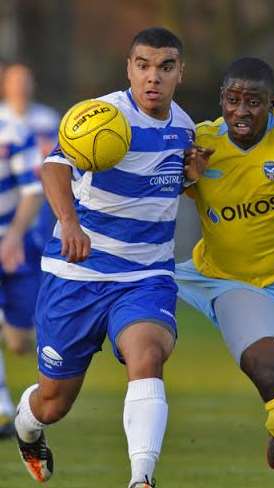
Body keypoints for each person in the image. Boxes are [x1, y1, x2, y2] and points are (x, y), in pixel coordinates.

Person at [14, 27, 208, 488]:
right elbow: (54, 166)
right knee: (54, 402)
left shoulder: (184, 128)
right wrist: (71, 223)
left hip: (146, 275)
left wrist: (190, 179)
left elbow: (157, 189)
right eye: (143, 65)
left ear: (181, 72)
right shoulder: (101, 116)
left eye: (165, 67)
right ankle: (27, 424)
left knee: (147, 355)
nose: (153, 77)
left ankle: (141, 478)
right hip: (77, 274)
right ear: (129, 68)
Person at [176, 57, 274, 487]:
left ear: (272, 104)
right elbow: (163, 192)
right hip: (226, 279)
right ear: (222, 99)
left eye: (254, 102)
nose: (242, 111)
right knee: (268, 368)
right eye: (233, 100)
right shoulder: (201, 142)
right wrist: (186, 180)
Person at [0, 94, 43, 436]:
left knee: (19, 341)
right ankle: (2, 408)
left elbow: (33, 190)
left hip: (14, 245)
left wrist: (14, 236)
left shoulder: (14, 132)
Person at [0, 62, 60, 248]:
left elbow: (60, 155)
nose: (20, 87)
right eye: (15, 82)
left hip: (41, 191)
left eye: (25, 82)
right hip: (9, 193)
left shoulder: (47, 118)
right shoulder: (3, 119)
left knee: (37, 242)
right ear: (5, 85)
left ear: (33, 85)